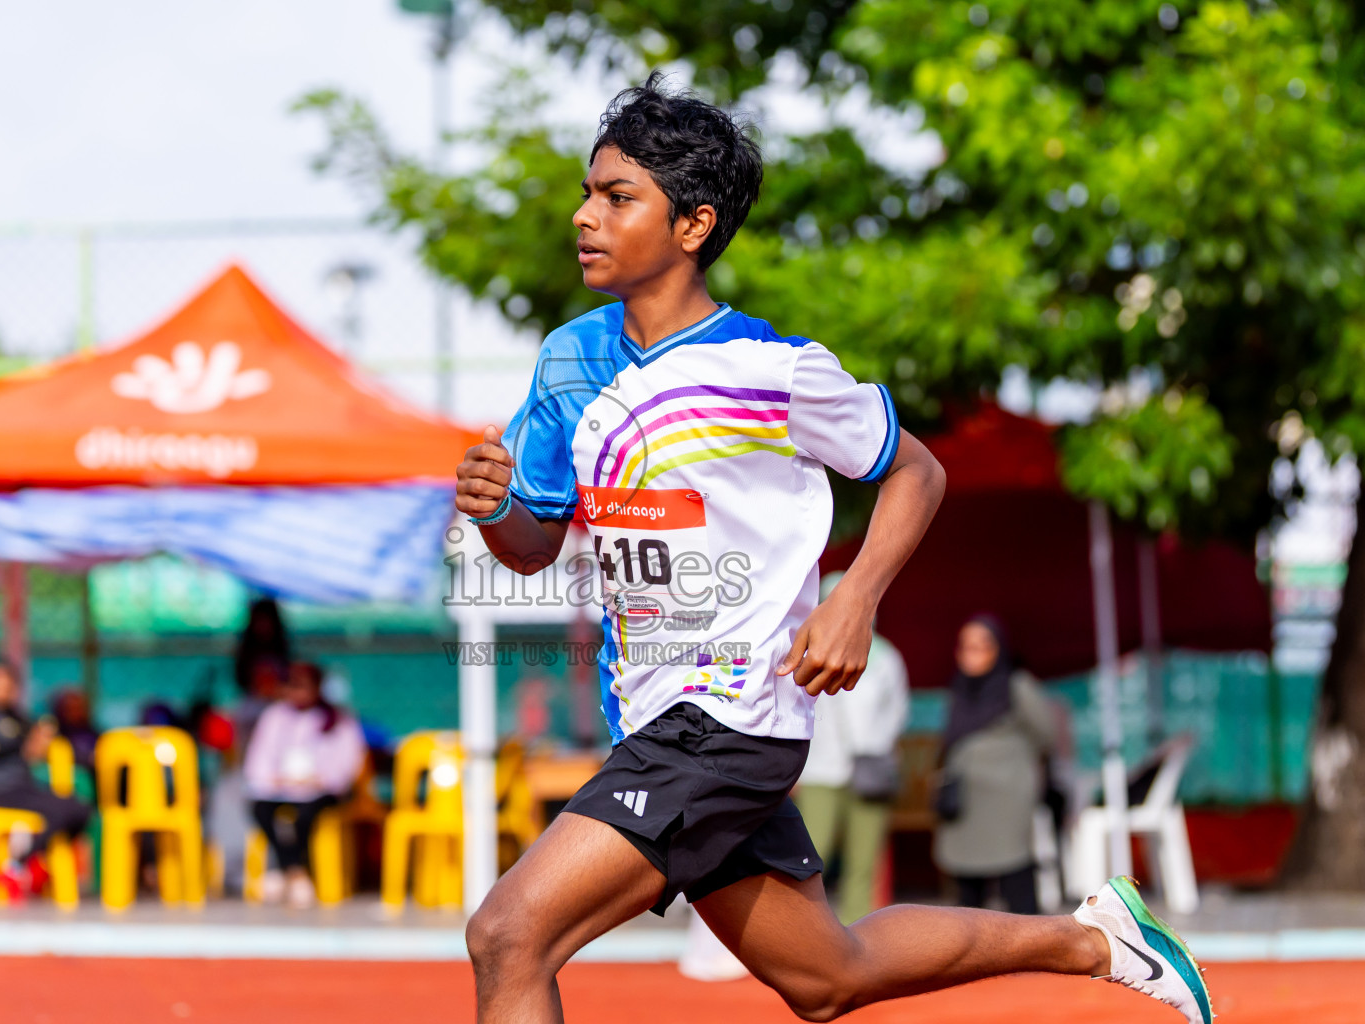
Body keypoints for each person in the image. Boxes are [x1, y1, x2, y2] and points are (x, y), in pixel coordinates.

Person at [453, 73, 1210, 1024]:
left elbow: (917, 473)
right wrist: (493, 511)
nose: (584, 217)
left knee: (508, 934)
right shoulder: (569, 359)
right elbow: (533, 546)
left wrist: (853, 600)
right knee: (828, 977)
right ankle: (1099, 939)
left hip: (726, 718)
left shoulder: (773, 373)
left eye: (617, 197)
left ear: (693, 226)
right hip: (652, 721)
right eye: (587, 192)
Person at [934, 615, 1055, 915]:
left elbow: (1047, 734)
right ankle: (975, 957)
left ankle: (1030, 953)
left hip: (1006, 804)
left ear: (998, 649)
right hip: (966, 804)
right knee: (967, 889)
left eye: (981, 646)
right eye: (966, 647)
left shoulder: (1017, 686)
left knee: (1015, 879)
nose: (972, 654)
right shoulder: (959, 690)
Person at [794, 611, 909, 924]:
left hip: (868, 770)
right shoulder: (805, 651)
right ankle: (803, 928)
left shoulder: (886, 657)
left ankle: (860, 933)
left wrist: (875, 747)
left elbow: (897, 710)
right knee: (810, 853)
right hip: (819, 769)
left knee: (865, 858)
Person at [243, 660, 366, 908]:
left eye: (303, 687)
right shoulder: (274, 717)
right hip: (281, 788)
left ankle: (287, 870)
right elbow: (258, 759)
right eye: (292, 687)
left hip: (321, 790)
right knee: (260, 809)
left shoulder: (336, 719)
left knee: (305, 815)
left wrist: (319, 779)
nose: (297, 694)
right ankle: (296, 871)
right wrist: (274, 778)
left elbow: (348, 762)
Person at [0, 661, 91, 878]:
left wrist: (38, 744)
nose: (0, 688)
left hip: (24, 785)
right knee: (57, 810)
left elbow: (31, 753)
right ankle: (19, 861)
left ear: (14, 687)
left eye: (5, 683)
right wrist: (18, 743)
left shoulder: (18, 717)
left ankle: (27, 854)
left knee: (79, 808)